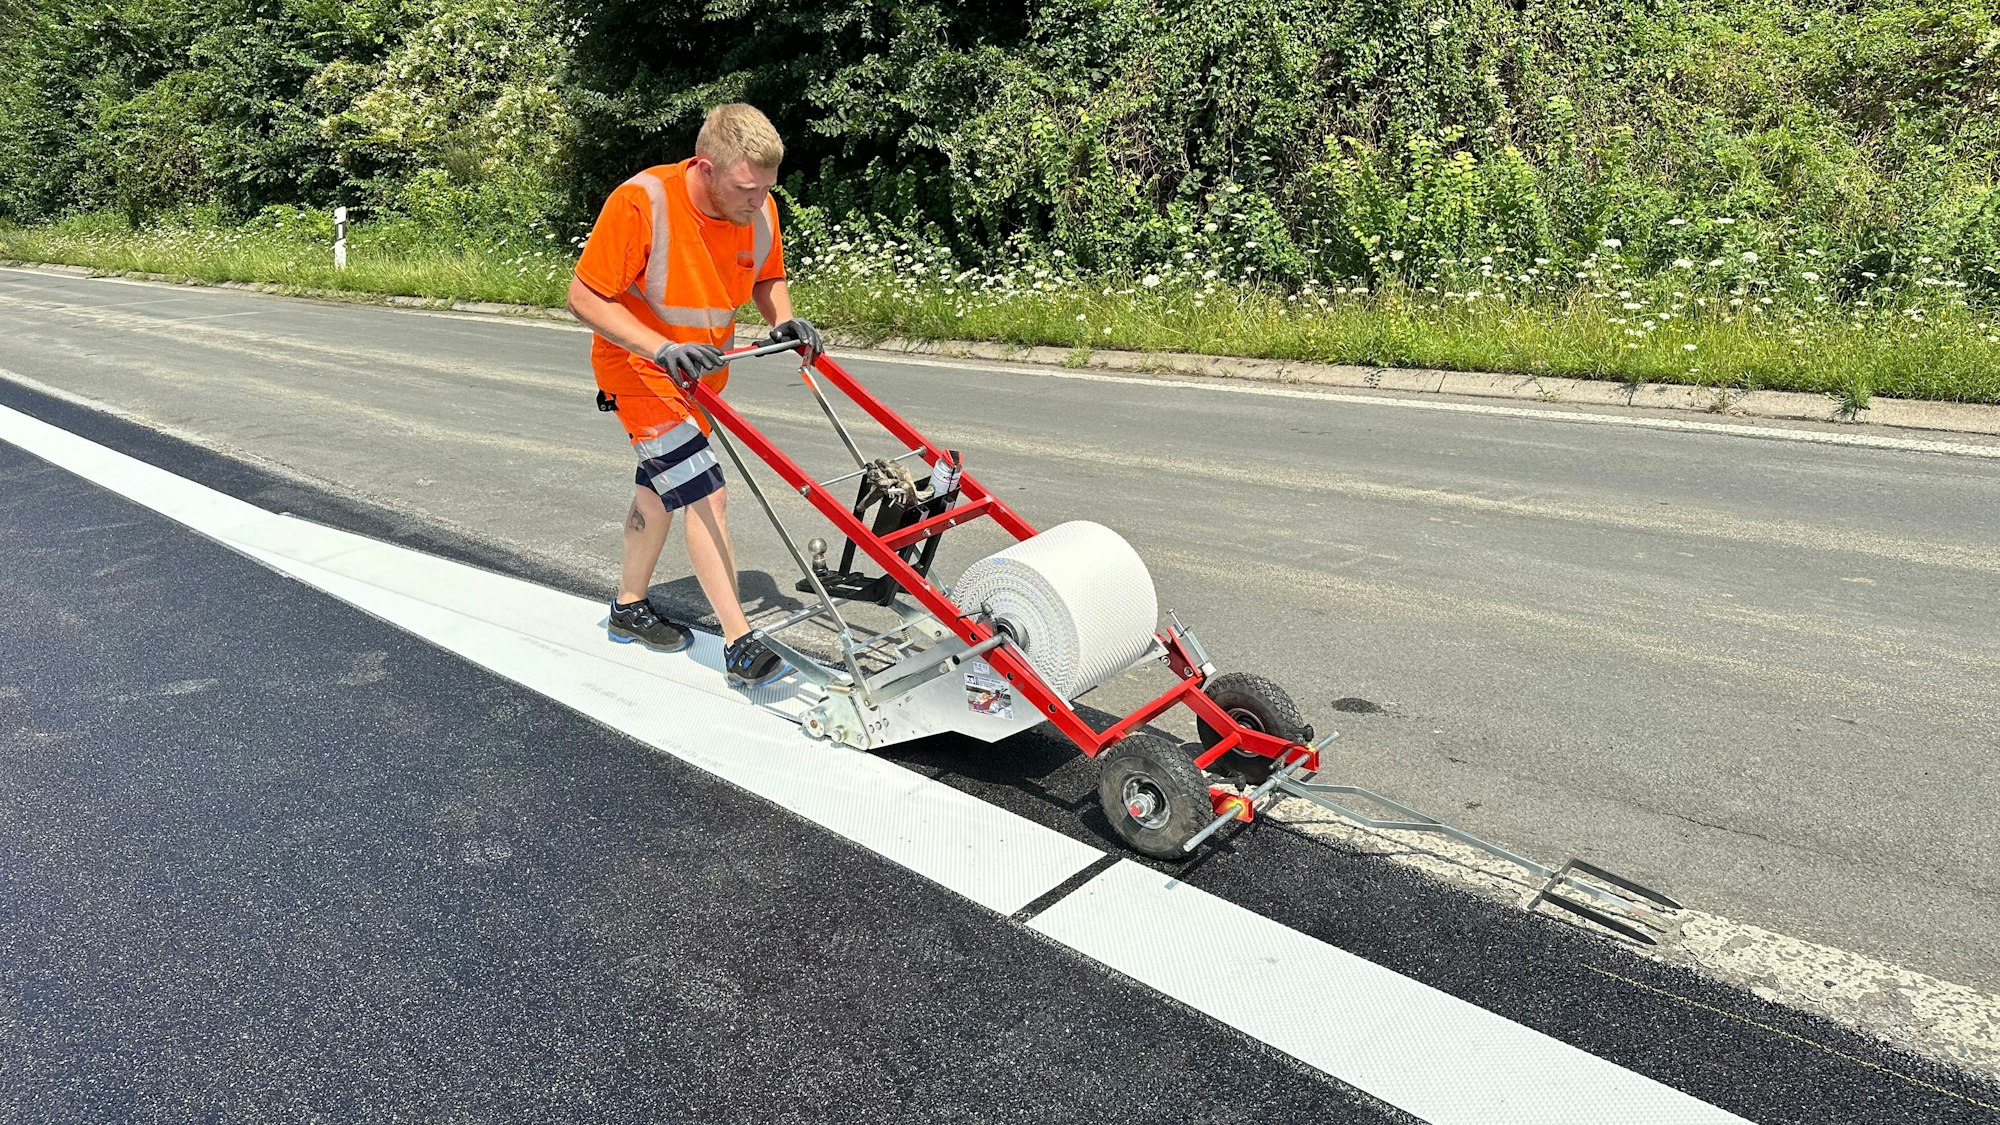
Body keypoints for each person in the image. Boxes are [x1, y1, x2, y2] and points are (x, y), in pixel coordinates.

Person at [565, 102, 822, 688]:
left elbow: (767, 276)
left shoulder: (758, 209)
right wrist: (659, 348)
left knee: (659, 494)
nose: (757, 201)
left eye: (765, 189)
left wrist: (783, 319)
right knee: (708, 494)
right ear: (705, 168)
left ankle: (629, 607)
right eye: (745, 188)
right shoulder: (643, 201)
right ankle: (740, 643)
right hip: (638, 369)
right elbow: (585, 298)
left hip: (700, 376)